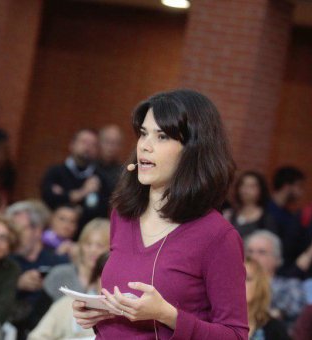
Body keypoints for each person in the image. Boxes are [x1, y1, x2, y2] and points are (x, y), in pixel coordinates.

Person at [73, 89, 248, 338]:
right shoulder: (123, 215)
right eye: (143, 134)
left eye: (162, 136)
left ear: (193, 150)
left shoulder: (218, 236)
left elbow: (236, 335)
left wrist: (168, 315)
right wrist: (97, 313)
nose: (145, 145)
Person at [6, 200, 69, 337]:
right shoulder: (5, 262)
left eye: (19, 229)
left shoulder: (59, 262)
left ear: (37, 230)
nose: (14, 236)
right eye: (11, 230)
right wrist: (17, 284)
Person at [40, 128, 111, 238]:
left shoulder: (101, 180)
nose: (87, 147)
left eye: (93, 145)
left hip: (83, 238)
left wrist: (66, 195)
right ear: (72, 145)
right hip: (51, 236)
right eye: (83, 142)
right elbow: (49, 198)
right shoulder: (56, 172)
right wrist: (83, 193)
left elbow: (100, 212)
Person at [29, 252, 109, 340]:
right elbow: (36, 337)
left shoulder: (121, 313)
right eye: (107, 277)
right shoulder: (65, 304)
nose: (111, 284)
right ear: (96, 279)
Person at [245, 230, 305, 327]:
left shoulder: (290, 286)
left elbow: (296, 308)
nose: (254, 257)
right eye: (250, 251)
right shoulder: (235, 285)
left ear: (277, 259)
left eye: (261, 252)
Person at [43, 218, 110, 301]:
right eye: (88, 244)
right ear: (80, 245)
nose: (92, 250)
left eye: (100, 245)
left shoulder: (113, 283)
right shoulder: (59, 274)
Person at [266, 166, 305, 276]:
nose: (301, 192)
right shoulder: (264, 210)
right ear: (287, 187)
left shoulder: (291, 216)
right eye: (299, 186)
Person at [244, 257, 291, 340]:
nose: (240, 283)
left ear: (259, 285)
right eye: (236, 278)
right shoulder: (219, 324)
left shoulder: (275, 328)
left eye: (247, 279)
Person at [223, 171, 278, 239]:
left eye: (251, 186)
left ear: (261, 190)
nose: (246, 189)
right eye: (243, 185)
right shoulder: (229, 214)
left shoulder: (267, 219)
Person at [96, 124, 124, 196]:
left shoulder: (123, 173)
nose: (110, 147)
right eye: (107, 141)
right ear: (99, 143)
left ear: (120, 147)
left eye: (115, 143)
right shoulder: (88, 168)